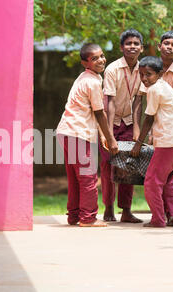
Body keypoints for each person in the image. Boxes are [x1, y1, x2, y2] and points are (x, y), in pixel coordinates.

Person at [56, 43, 119, 227]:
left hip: (67, 131)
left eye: (101, 56)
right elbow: (100, 113)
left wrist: (101, 136)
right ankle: (88, 217)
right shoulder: (92, 81)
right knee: (88, 176)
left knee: (76, 177)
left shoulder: (84, 77)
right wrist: (110, 139)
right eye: (94, 58)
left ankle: (74, 216)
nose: (101, 60)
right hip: (77, 133)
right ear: (85, 63)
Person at [131, 56, 173, 228]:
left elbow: (148, 119)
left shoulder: (155, 89)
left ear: (160, 73)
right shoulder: (163, 86)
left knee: (151, 181)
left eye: (148, 74)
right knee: (168, 180)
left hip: (169, 141)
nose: (144, 79)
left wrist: (138, 144)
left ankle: (158, 219)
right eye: (141, 75)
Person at [135, 30, 173, 199]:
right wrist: (144, 131)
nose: (169, 48)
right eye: (166, 44)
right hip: (158, 126)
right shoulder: (149, 68)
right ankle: (167, 210)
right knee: (160, 171)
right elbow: (141, 100)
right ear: (159, 46)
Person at [100, 28, 144, 223]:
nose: (132, 47)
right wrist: (108, 134)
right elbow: (109, 102)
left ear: (141, 48)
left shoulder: (143, 68)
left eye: (136, 44)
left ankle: (126, 210)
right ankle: (108, 208)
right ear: (121, 47)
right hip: (111, 122)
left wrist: (136, 128)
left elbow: (139, 101)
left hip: (128, 122)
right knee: (109, 165)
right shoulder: (112, 69)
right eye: (128, 43)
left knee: (129, 165)